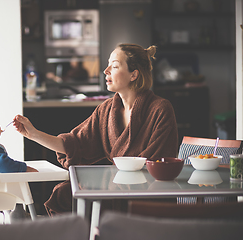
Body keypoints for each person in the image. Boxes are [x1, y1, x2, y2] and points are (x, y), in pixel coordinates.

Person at [14, 43, 178, 215]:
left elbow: (157, 164)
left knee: (86, 198)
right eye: (108, 65)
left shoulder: (160, 109)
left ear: (134, 74)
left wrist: (112, 182)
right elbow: (74, 143)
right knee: (63, 192)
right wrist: (33, 134)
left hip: (146, 193)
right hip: (115, 187)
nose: (106, 70)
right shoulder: (107, 110)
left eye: (114, 66)